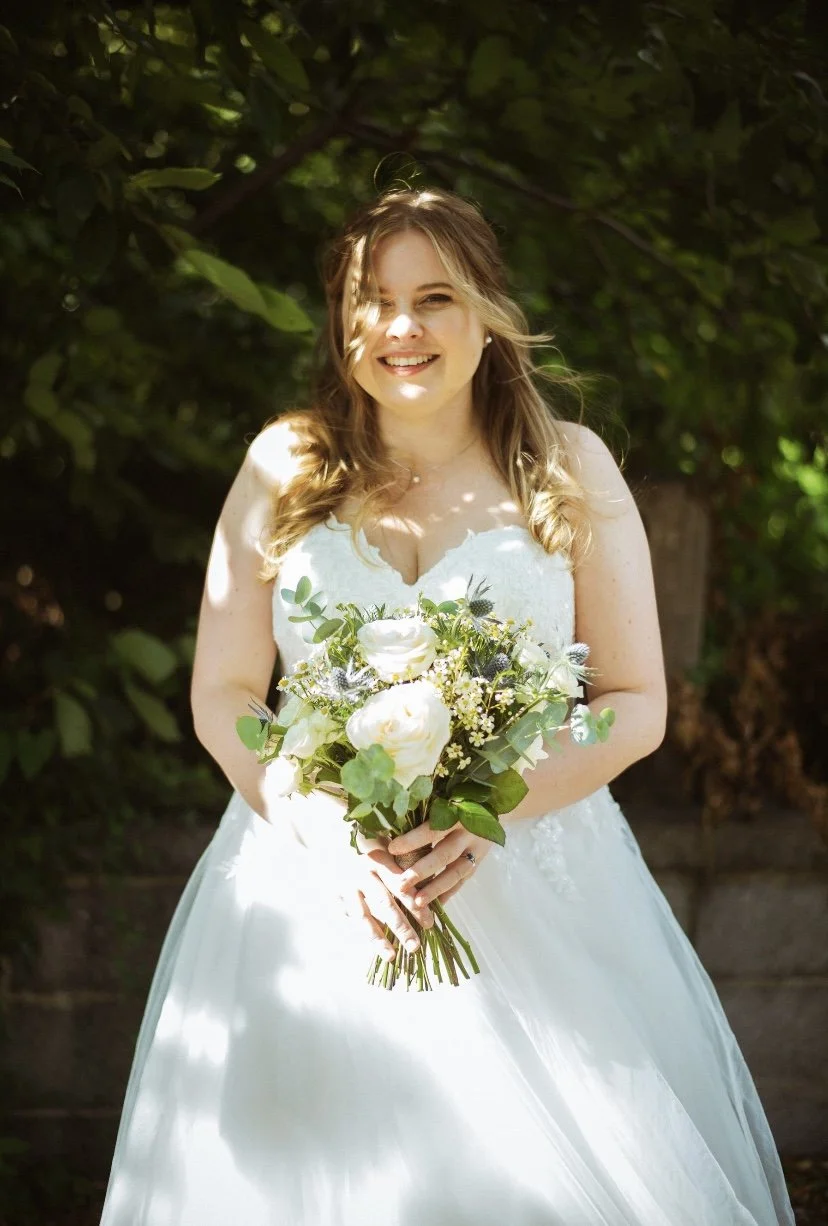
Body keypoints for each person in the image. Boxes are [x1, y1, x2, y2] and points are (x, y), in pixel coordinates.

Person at [100, 187, 794, 1225]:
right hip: (309, 891)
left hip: (539, 887)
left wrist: (492, 807)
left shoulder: (567, 466)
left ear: (487, 313)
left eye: (434, 297)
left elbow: (635, 699)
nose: (401, 328)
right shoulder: (281, 466)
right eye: (372, 300)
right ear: (342, 320)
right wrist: (321, 822)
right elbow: (226, 691)